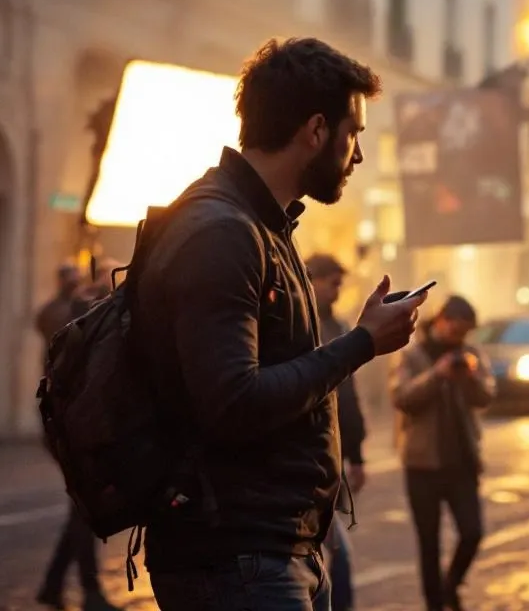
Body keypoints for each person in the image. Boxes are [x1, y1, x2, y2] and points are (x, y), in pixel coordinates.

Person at [133, 37, 427, 611]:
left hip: (274, 549)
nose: (358, 154)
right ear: (316, 131)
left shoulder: (263, 227)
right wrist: (362, 343)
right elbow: (233, 402)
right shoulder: (223, 232)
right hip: (237, 558)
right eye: (354, 134)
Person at [389, 295, 494, 611]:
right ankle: (435, 604)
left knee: (472, 532)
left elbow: (486, 396)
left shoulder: (470, 354)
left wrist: (470, 377)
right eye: (456, 330)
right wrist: (437, 375)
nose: (460, 338)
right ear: (441, 320)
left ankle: (451, 586)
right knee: (429, 543)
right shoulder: (413, 354)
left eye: (465, 333)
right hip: (422, 464)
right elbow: (402, 397)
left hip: (462, 461)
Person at [35, 265, 122, 611]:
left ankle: (55, 585)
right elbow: (50, 320)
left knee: (82, 507)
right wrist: (88, 297)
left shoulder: (84, 309)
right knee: (85, 507)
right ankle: (89, 591)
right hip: (72, 421)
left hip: (78, 419)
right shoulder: (66, 312)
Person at [307, 253, 367, 611]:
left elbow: (349, 396)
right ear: (310, 280)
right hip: (309, 461)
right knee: (331, 560)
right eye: (331, 283)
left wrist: (356, 455)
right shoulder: (295, 323)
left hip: (333, 454)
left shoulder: (340, 327)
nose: (336, 291)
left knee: (331, 556)